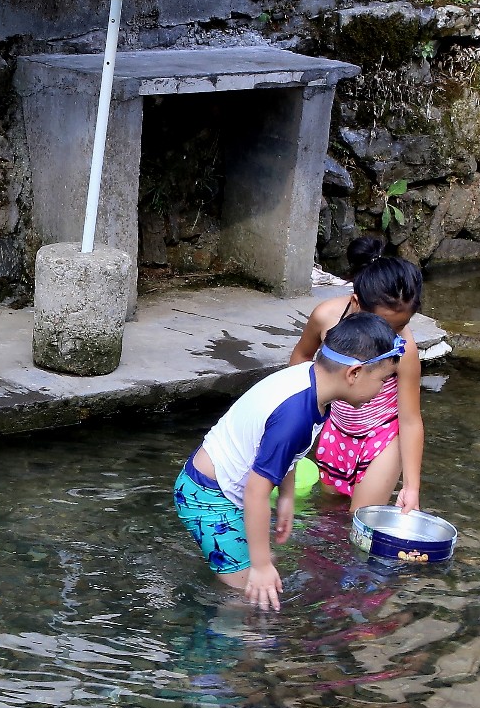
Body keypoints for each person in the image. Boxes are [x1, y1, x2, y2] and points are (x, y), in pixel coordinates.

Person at [175, 312, 402, 610]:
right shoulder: (295, 414)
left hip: (218, 487)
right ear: (354, 373)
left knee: (268, 568)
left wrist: (286, 497)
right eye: (383, 379)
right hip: (209, 498)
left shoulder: (312, 383)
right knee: (250, 597)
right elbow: (257, 490)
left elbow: (287, 454)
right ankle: (225, 648)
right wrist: (259, 568)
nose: (381, 390)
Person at [289, 235, 426, 512]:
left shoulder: (404, 348)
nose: (391, 336)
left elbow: (410, 420)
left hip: (382, 436)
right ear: (357, 303)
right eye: (384, 326)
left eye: (401, 326)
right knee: (328, 511)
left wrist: (411, 487)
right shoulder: (327, 317)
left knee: (359, 519)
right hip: (336, 429)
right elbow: (302, 357)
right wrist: (300, 417)